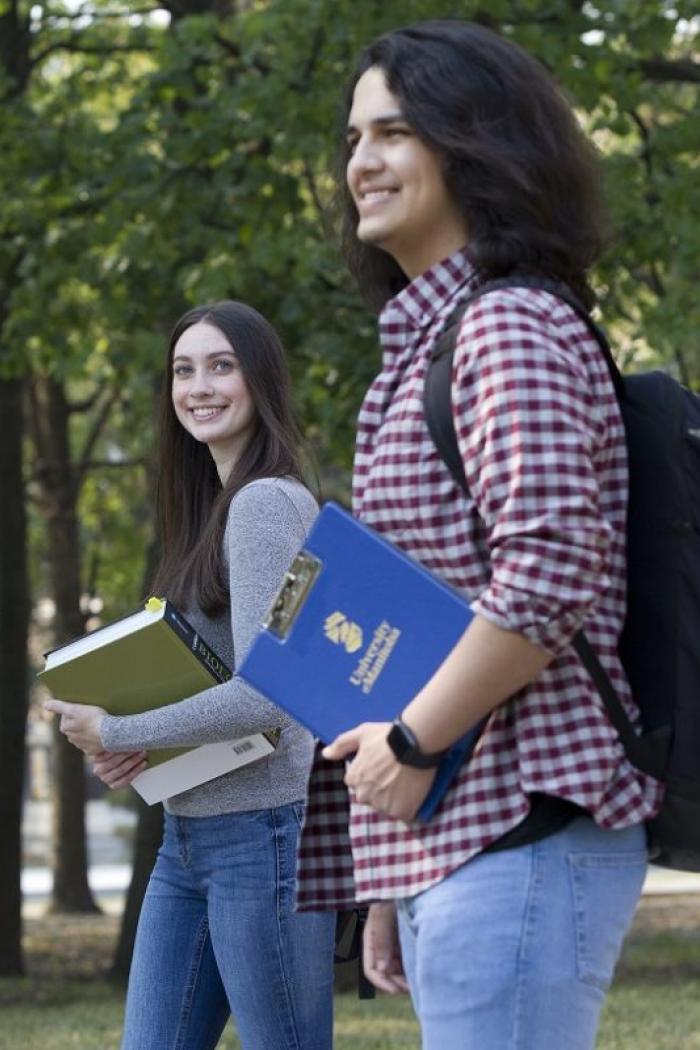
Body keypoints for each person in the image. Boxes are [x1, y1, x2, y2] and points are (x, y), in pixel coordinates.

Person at [294, 20, 664, 1050]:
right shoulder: (425, 344)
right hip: (458, 835)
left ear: (475, 145)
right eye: (353, 137)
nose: (359, 162)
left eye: (394, 133)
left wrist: (415, 742)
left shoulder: (507, 327)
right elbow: (418, 619)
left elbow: (550, 576)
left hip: (524, 822)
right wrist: (388, 871)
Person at [45, 300, 336, 1050]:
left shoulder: (266, 503)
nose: (198, 386)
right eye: (183, 370)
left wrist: (119, 727)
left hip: (264, 836)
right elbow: (215, 679)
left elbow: (272, 694)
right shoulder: (213, 508)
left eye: (220, 366)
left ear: (259, 379)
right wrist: (137, 752)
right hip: (188, 839)